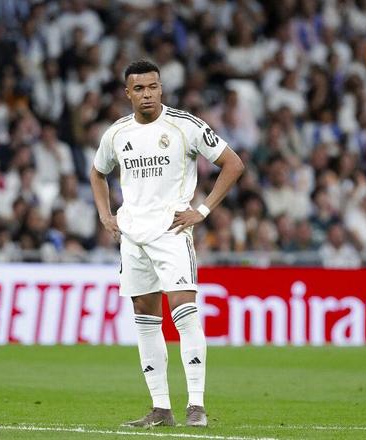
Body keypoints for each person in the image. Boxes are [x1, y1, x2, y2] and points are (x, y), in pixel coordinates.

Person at [90, 60, 244, 428]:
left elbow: (233, 163)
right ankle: (160, 408)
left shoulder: (185, 125)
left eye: (153, 87)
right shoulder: (116, 133)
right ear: (127, 93)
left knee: (184, 312)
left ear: (161, 88)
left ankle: (196, 405)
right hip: (133, 236)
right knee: (145, 319)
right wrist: (106, 215)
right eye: (139, 89)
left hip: (172, 231)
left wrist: (202, 210)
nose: (147, 94)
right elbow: (97, 173)